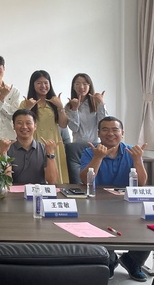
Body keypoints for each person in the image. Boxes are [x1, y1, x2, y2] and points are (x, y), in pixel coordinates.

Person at [80, 116, 149, 281]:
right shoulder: (90, 151)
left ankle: (133, 261)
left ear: (122, 133)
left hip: (127, 202)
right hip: (97, 203)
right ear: (98, 133)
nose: (110, 133)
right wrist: (98, 157)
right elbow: (84, 181)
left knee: (148, 223)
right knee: (99, 227)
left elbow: (141, 183)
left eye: (115, 130)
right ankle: (109, 261)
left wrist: (137, 160)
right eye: (105, 130)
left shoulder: (132, 151)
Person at [20, 70, 69, 183]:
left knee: (54, 176)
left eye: (46, 83)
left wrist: (60, 107)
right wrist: (28, 108)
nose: (43, 86)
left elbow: (63, 124)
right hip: (35, 142)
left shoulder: (54, 102)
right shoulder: (26, 103)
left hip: (53, 141)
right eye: (39, 83)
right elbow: (21, 124)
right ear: (33, 85)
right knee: (37, 175)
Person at [0, 109, 59, 184]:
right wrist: (3, 153)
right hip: (14, 191)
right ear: (14, 126)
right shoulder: (6, 148)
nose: (24, 126)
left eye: (28, 123)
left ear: (35, 126)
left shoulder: (44, 149)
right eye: (19, 123)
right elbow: (6, 182)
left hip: (38, 190)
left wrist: (51, 154)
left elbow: (52, 181)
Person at [65, 73, 107, 143]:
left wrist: (101, 103)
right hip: (78, 145)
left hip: (95, 144)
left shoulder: (96, 103)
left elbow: (104, 124)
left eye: (85, 84)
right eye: (77, 84)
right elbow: (74, 128)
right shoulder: (69, 106)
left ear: (89, 86)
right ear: (73, 87)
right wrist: (74, 109)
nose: (81, 87)